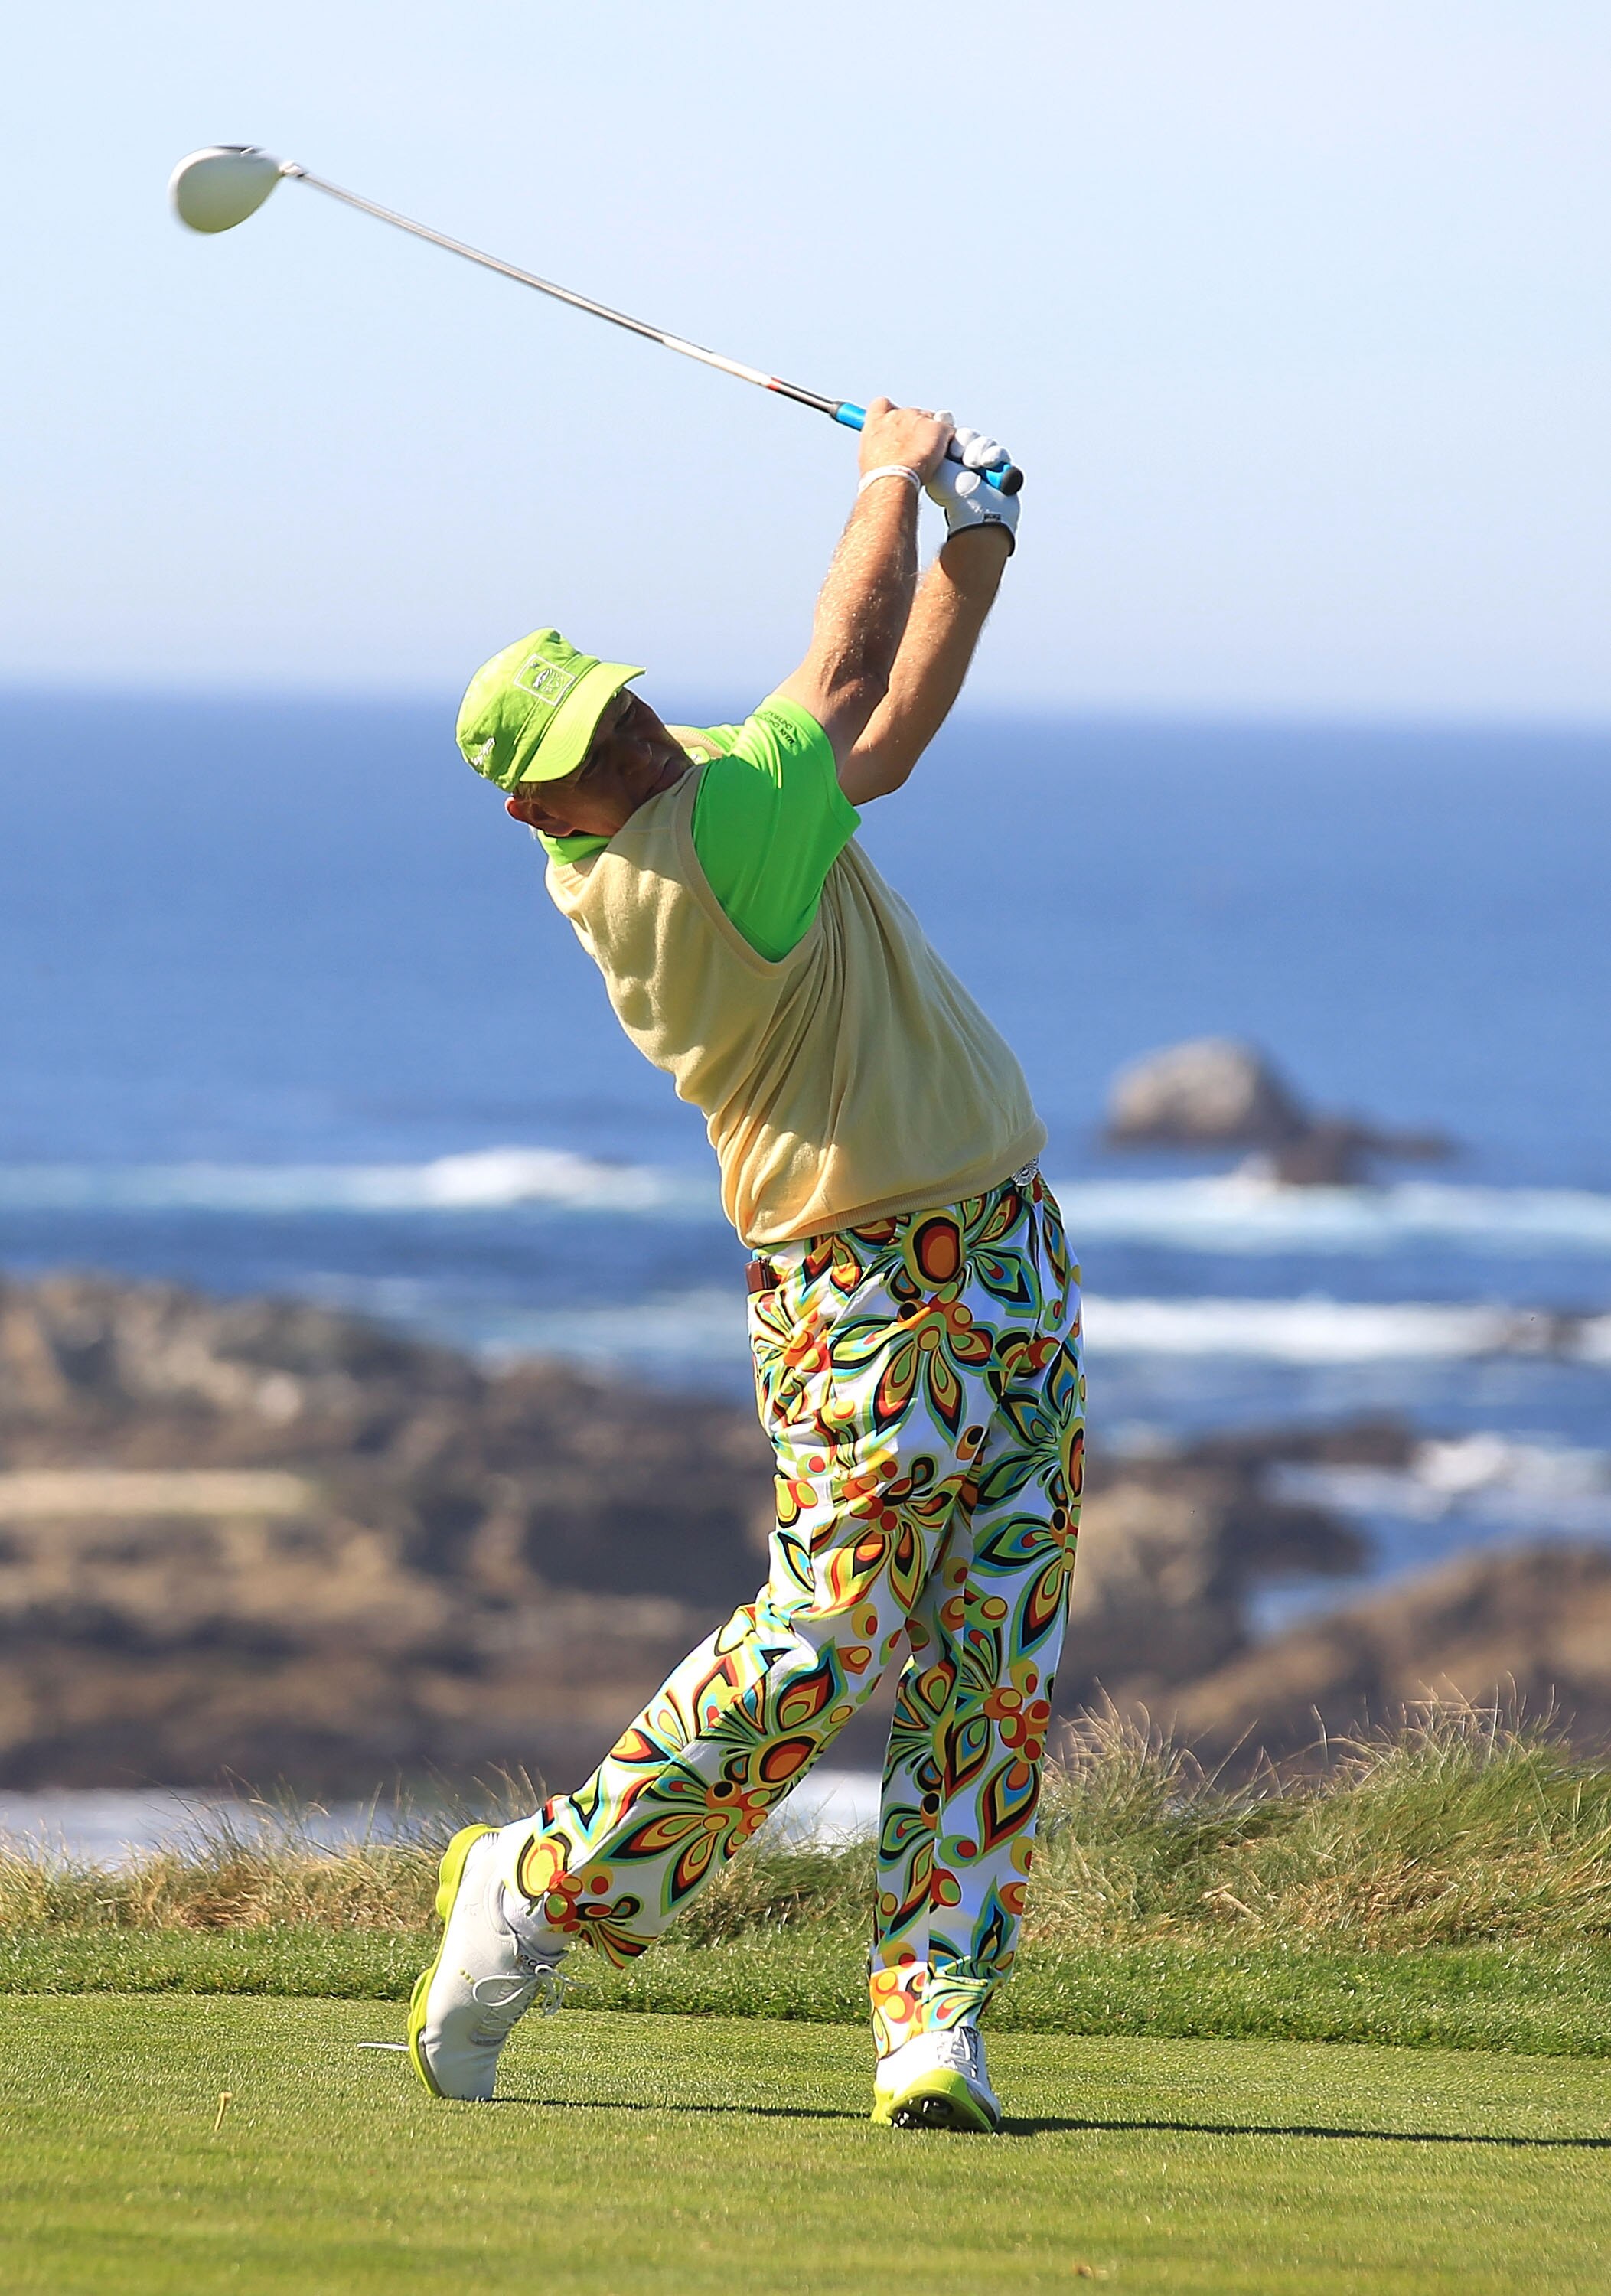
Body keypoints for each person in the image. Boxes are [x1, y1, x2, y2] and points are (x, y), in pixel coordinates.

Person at [409, 402, 1084, 2131]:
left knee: (991, 1659)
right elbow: (845, 666)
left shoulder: (719, 783)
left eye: (622, 701)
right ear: (531, 807)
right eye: (595, 739)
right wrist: (887, 466)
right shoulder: (689, 854)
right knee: (830, 1634)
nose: (633, 734)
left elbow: (886, 738)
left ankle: (934, 2014)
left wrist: (981, 530)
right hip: (867, 1290)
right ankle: (536, 1889)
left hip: (1005, 1246)